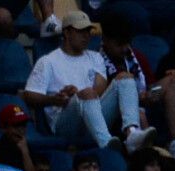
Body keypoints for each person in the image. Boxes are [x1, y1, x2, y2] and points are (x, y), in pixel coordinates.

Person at [23, 11, 155, 155]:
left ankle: (132, 134)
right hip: (65, 122)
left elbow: (100, 87)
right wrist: (55, 99)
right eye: (81, 31)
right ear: (66, 32)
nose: (86, 36)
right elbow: (29, 95)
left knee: (125, 77)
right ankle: (106, 144)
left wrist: (78, 94)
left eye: (88, 31)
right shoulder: (48, 61)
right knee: (87, 93)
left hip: (94, 113)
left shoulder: (95, 57)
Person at [98, 12, 175, 159]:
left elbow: (151, 86)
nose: (124, 49)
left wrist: (154, 90)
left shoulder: (136, 56)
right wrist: (136, 98)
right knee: (139, 113)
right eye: (119, 45)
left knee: (172, 81)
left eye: (127, 43)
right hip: (118, 111)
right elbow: (103, 97)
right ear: (105, 41)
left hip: (145, 97)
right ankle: (151, 156)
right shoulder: (96, 61)